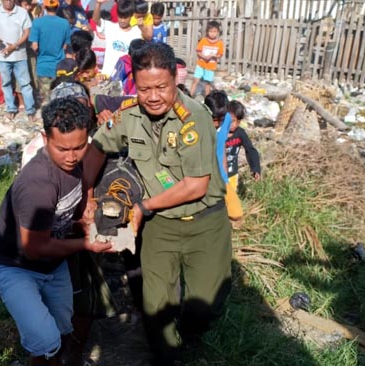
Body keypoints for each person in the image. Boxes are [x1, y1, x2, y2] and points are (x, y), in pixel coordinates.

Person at [83, 42, 232, 365]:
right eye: (145, 88)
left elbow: (195, 186)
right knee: (155, 308)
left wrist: (142, 208)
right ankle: (168, 357)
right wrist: (87, 195)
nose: (153, 96)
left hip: (205, 222)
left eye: (161, 87)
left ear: (175, 81)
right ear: (135, 84)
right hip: (160, 225)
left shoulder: (194, 119)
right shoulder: (129, 115)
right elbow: (97, 146)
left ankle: (191, 333)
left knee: (203, 308)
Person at [0, 97, 112, 366]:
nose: (71, 156)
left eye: (79, 147)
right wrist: (86, 244)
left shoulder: (76, 164)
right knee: (45, 340)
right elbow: (34, 247)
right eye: (62, 149)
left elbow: (70, 213)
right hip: (15, 266)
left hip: (52, 264)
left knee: (62, 330)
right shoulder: (38, 183)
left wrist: (86, 221)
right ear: (45, 139)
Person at [0, 0, 36, 120]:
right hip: (2, 55)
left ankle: (30, 110)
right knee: (6, 83)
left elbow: (27, 33)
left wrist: (14, 46)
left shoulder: (22, 12)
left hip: (19, 55)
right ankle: (11, 108)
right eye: (6, 0)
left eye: (11, 0)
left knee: (25, 83)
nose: (8, 2)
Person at [205, 90, 243, 221]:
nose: (216, 124)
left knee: (236, 213)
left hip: (220, 174)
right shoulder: (200, 121)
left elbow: (222, 146)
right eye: (213, 119)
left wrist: (225, 171)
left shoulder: (227, 120)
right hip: (203, 176)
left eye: (219, 120)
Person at [30, 0, 72, 101]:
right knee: (59, 97)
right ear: (58, 6)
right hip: (59, 66)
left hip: (43, 66)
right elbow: (65, 47)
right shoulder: (65, 23)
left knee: (45, 99)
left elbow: (34, 46)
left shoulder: (37, 23)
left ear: (44, 6)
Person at [92, 0, 142, 77]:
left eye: (125, 17)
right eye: (120, 17)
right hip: (107, 76)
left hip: (125, 77)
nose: (122, 20)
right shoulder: (110, 27)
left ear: (131, 15)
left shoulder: (137, 32)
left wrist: (143, 26)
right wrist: (98, 4)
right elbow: (96, 20)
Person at [225, 100, 262, 189]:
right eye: (232, 121)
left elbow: (250, 150)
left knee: (231, 198)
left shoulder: (240, 133)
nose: (234, 125)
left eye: (238, 122)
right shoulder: (217, 133)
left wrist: (255, 168)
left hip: (232, 174)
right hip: (217, 174)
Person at [190, 20, 224, 97]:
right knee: (195, 80)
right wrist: (204, 56)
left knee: (207, 83)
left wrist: (214, 56)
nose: (212, 33)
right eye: (211, 31)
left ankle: (207, 99)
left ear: (218, 32)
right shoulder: (203, 40)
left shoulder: (219, 43)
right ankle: (190, 95)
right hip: (201, 64)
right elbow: (198, 51)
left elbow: (220, 54)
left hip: (210, 67)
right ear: (207, 32)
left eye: (215, 31)